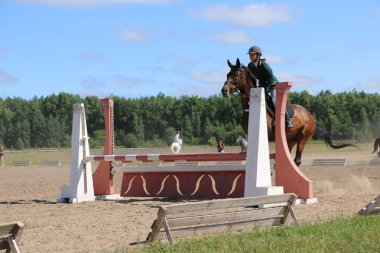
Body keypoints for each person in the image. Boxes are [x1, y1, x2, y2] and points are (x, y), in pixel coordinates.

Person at [247, 45, 294, 128]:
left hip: (272, 85)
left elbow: (270, 77)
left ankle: (287, 120)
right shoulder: (250, 66)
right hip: (262, 87)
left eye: (252, 54)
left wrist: (267, 88)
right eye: (250, 55)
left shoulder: (264, 65)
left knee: (274, 101)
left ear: (257, 55)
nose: (250, 56)